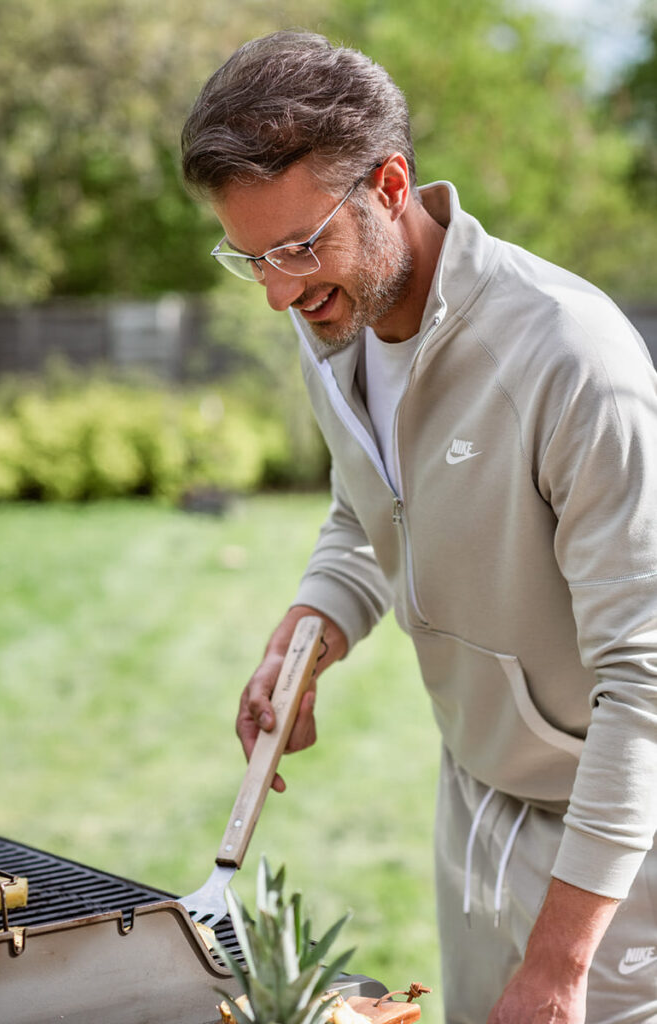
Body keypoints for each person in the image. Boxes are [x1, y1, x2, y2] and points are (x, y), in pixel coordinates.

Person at [180, 30, 657, 1024]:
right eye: (250, 256)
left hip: (614, 855)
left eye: (300, 245)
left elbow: (644, 681)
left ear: (389, 184)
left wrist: (561, 963)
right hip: (472, 801)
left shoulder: (571, 364)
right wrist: (316, 618)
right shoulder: (333, 321)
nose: (276, 290)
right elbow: (366, 507)